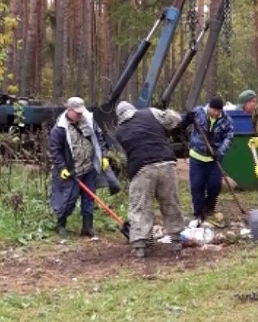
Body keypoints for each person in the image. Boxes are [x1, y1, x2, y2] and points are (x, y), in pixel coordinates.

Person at [113, 100, 187, 258]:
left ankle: (140, 246)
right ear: (133, 109)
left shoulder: (119, 132)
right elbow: (174, 119)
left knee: (140, 206)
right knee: (170, 202)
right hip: (167, 162)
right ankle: (176, 242)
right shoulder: (149, 112)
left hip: (142, 168)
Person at [47, 97, 112, 238]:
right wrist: (62, 168)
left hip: (89, 168)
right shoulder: (60, 128)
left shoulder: (88, 120)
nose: (80, 115)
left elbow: (99, 138)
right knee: (68, 199)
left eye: (81, 112)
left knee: (89, 198)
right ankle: (61, 225)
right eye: (77, 113)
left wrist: (103, 157)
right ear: (69, 110)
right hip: (72, 170)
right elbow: (55, 150)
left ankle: (87, 227)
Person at [179, 96, 234, 227]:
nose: (214, 113)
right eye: (213, 109)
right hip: (197, 156)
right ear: (208, 106)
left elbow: (229, 136)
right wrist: (187, 119)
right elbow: (181, 125)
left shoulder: (226, 120)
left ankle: (208, 208)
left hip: (214, 159)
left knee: (215, 185)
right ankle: (198, 212)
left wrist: (219, 151)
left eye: (217, 111)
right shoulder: (198, 112)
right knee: (197, 185)